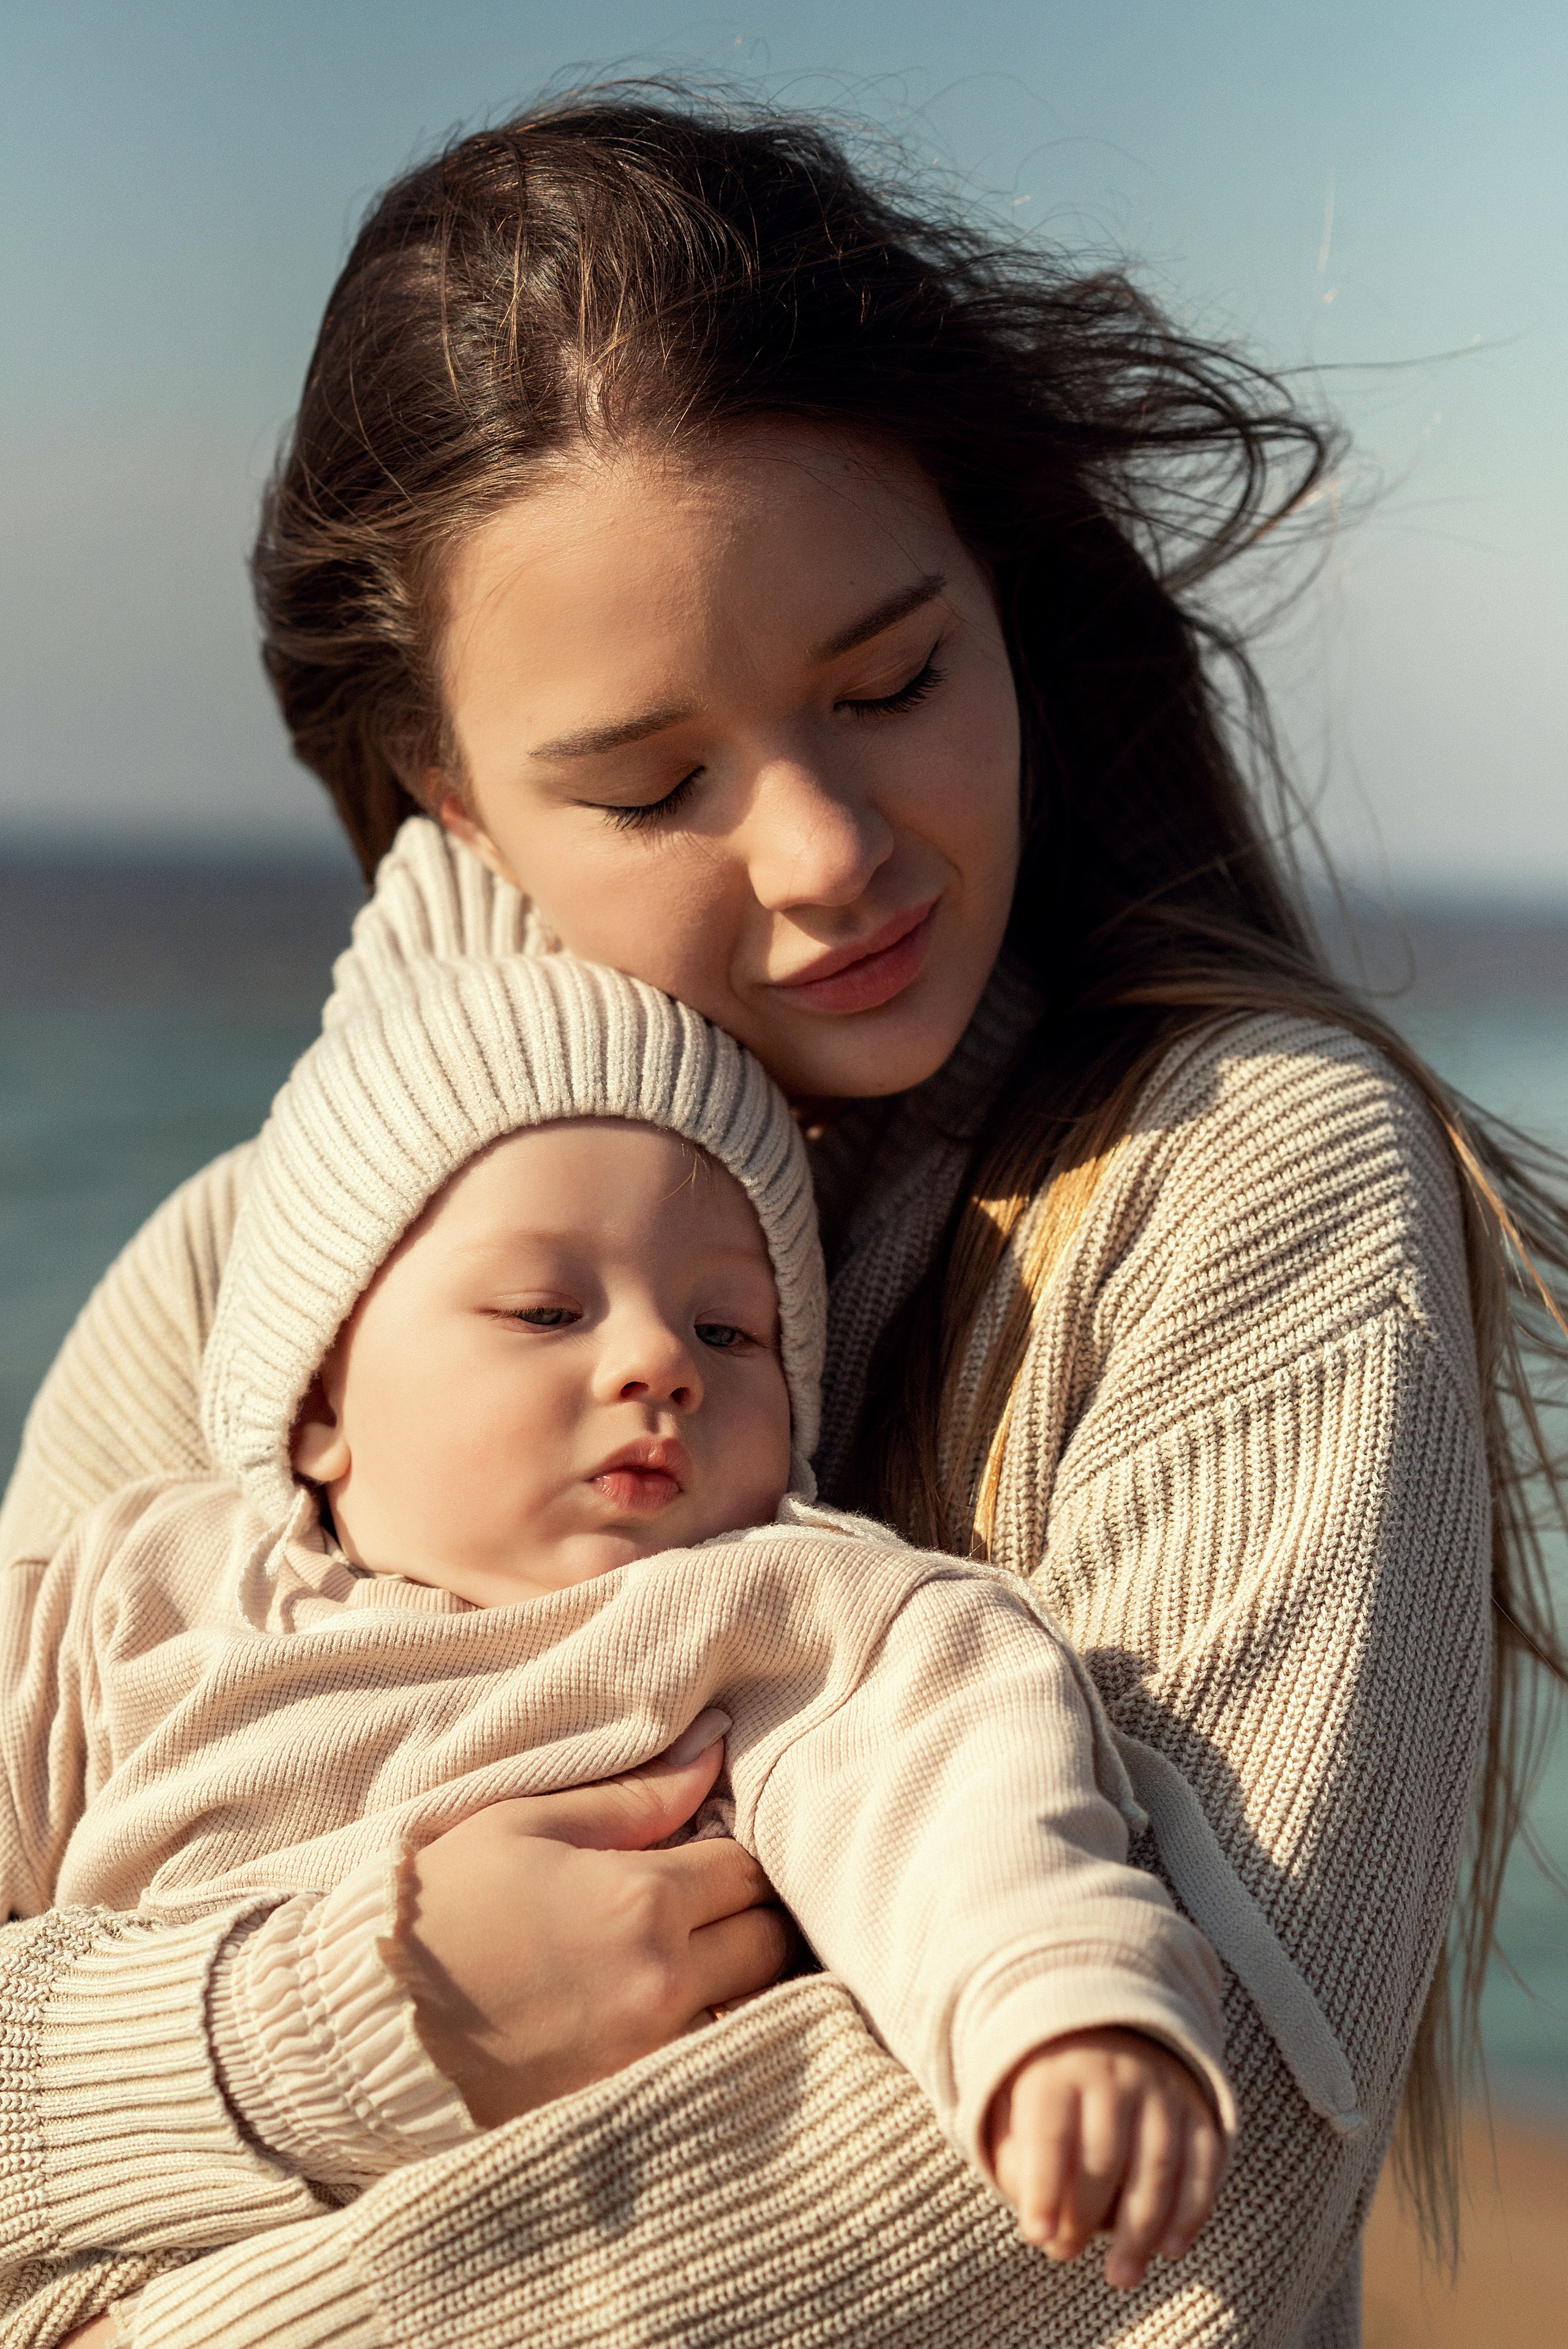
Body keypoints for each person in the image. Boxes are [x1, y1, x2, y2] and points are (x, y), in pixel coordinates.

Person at [2, 87, 1563, 2349]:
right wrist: (351, 2015)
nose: (828, 849)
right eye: (654, 783)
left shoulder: (1244, 1177)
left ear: (997, 595)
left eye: (894, 678)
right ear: (451, 794)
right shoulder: (255, 1289)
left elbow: (1187, 2178)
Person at [6, 949, 1239, 2347]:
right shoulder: (124, 1585)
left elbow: (958, 1797)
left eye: (733, 1328)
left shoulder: (775, 1611)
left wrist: (1058, 2001)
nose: (661, 1363)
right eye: (545, 1311)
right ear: (316, 1400)